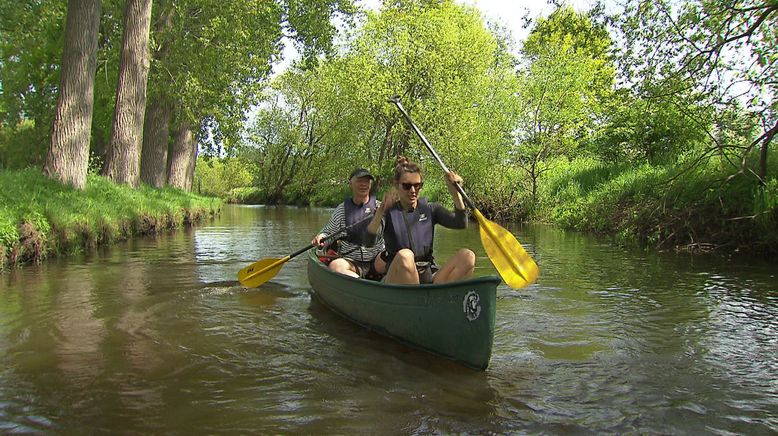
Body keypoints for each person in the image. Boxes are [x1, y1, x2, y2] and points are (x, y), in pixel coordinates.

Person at [365, 156, 475, 285]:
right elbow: (368, 241)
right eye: (407, 186)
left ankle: (440, 297)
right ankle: (420, 299)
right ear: (396, 185)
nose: (413, 191)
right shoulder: (388, 211)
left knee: (467, 256)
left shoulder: (430, 209)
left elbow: (460, 223)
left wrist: (455, 193)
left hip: (427, 274)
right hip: (397, 277)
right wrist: (380, 211)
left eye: (417, 186)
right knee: (405, 255)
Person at [311, 168, 386, 280]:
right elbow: (328, 232)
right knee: (335, 265)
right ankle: (364, 286)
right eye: (359, 180)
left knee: (398, 257)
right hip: (351, 263)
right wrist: (321, 237)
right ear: (350, 183)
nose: (363, 184)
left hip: (377, 261)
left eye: (367, 181)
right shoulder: (342, 210)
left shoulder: (381, 208)